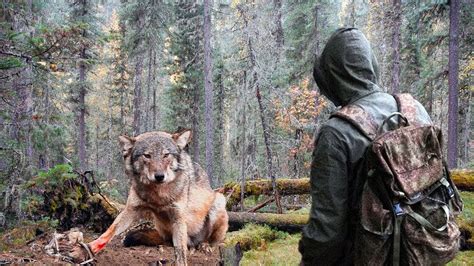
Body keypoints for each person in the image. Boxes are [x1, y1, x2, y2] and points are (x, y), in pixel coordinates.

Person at [299, 28, 432, 265]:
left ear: (331, 75)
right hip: (421, 253)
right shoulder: (414, 111)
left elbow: (326, 235)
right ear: (371, 64)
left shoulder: (336, 134)